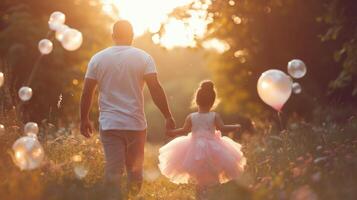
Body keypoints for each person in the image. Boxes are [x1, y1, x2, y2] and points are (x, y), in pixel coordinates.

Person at [80, 20, 175, 198]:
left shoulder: (98, 58)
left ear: (113, 36)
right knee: (135, 172)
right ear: (132, 36)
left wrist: (84, 119)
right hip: (136, 125)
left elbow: (87, 92)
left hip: (110, 125)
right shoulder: (144, 58)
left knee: (113, 171)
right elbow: (155, 88)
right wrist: (167, 116)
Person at [158, 80, 246, 200]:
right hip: (214, 148)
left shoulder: (191, 117)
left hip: (194, 149)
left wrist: (171, 132)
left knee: (199, 175)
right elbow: (222, 128)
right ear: (213, 101)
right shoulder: (214, 116)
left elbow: (183, 130)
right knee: (214, 172)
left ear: (197, 100)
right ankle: (214, 194)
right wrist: (235, 126)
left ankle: (200, 195)